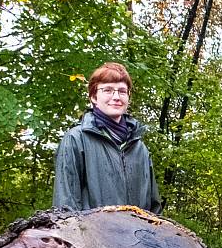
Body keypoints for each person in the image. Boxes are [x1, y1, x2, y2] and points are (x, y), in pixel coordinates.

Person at [53, 62, 161, 213]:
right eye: (108, 90)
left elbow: (153, 209)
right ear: (94, 97)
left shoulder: (139, 148)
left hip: (136, 235)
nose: (116, 97)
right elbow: (65, 206)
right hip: (92, 235)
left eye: (122, 91)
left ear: (128, 97)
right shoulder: (76, 139)